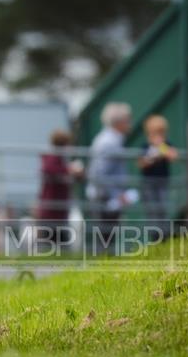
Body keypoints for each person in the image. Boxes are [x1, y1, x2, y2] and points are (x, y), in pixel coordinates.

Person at [86, 102, 135, 254]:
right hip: (106, 197)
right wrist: (117, 195)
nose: (130, 124)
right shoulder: (110, 142)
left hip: (106, 195)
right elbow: (100, 173)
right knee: (106, 237)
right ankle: (101, 270)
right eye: (127, 120)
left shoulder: (110, 139)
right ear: (118, 122)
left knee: (107, 237)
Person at [36, 129, 83, 248]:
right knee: (50, 240)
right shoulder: (53, 157)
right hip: (51, 209)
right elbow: (49, 169)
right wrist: (69, 170)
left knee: (59, 240)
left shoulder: (59, 158)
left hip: (57, 209)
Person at [138, 114, 178, 235]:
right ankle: (154, 236)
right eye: (156, 132)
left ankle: (163, 235)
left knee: (163, 209)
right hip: (148, 182)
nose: (159, 135)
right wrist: (151, 158)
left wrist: (161, 147)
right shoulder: (145, 146)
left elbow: (173, 156)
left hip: (163, 181)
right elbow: (141, 163)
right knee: (152, 211)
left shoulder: (166, 144)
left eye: (161, 132)